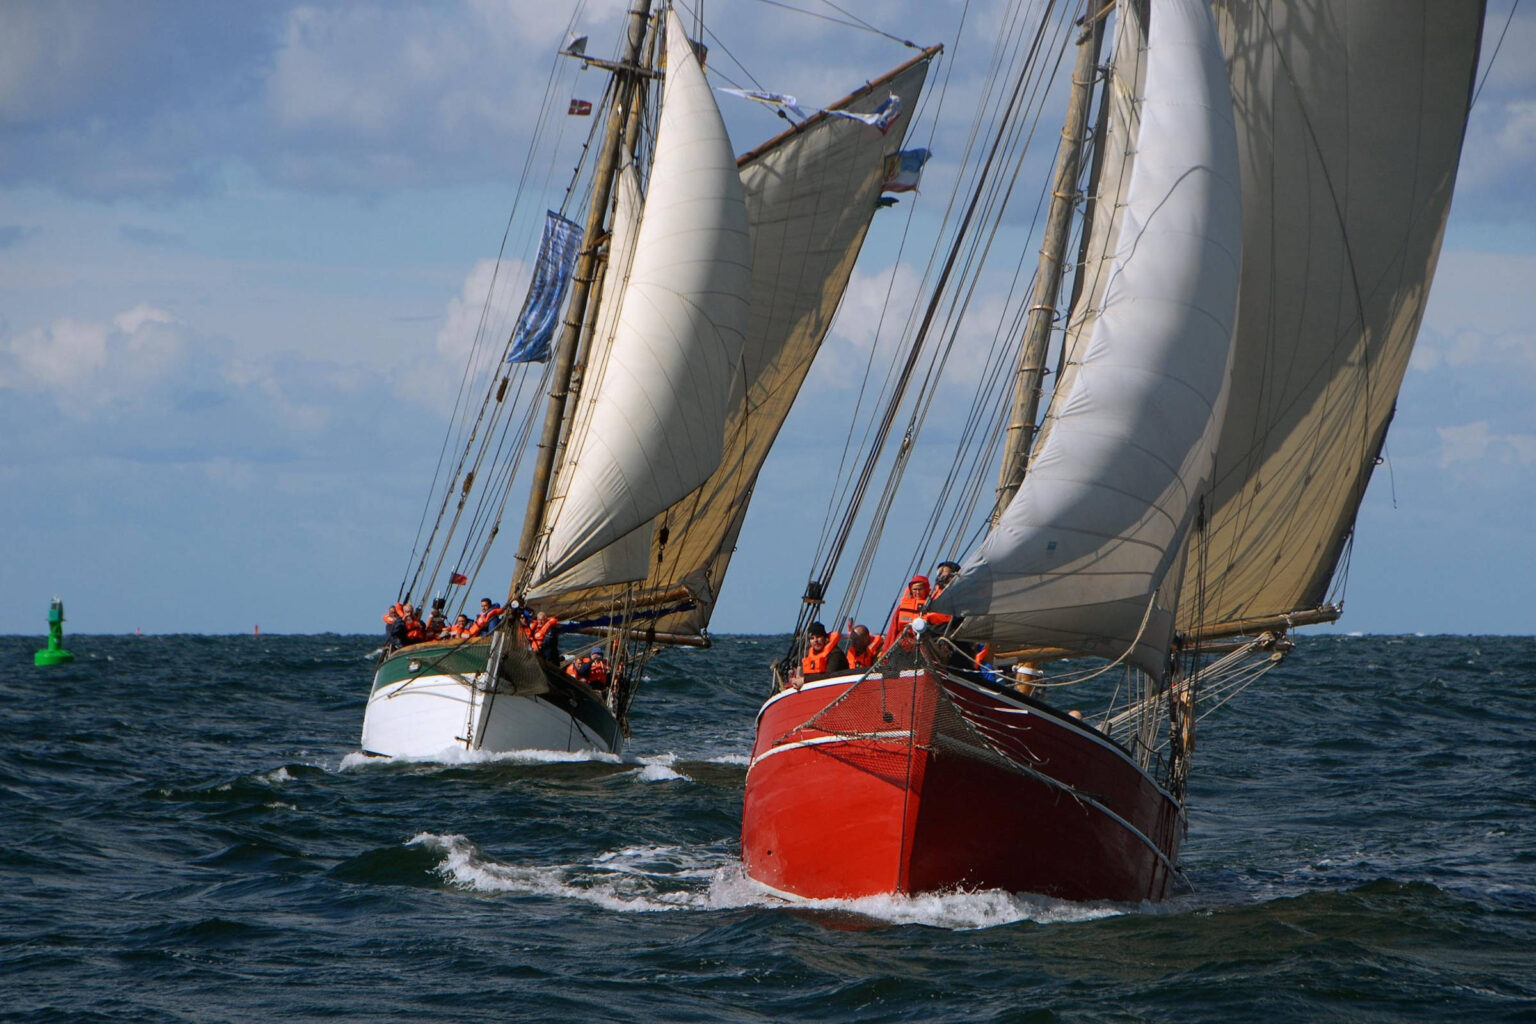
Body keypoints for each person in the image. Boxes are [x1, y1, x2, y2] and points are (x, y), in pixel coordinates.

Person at [887, 575, 930, 646]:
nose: (917, 592)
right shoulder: (902, 607)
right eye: (915, 589)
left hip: (924, 642)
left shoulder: (932, 605)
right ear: (911, 590)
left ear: (926, 589)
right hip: (904, 642)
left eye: (920, 589)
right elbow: (893, 629)